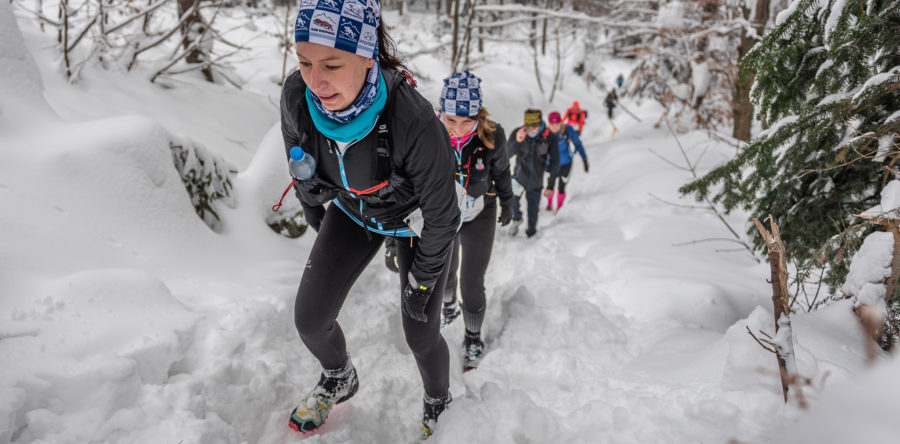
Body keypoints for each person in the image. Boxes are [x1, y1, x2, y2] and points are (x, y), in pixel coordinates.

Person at [280, 0, 458, 439]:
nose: (315, 81)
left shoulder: (413, 120)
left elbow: (443, 217)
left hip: (414, 222)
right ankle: (339, 376)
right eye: (304, 62)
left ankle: (439, 400)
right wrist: (312, 206)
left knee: (420, 333)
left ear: (367, 56)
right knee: (309, 319)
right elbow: (298, 161)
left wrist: (422, 282)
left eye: (332, 64)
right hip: (353, 211)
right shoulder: (296, 98)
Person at [435, 71, 515, 371]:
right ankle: (448, 307)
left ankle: (472, 337)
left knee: (471, 281)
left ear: (478, 116)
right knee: (444, 271)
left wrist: (507, 201)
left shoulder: (492, 135)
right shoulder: (431, 132)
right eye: (451, 120)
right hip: (442, 214)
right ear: (441, 112)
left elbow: (503, 171)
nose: (457, 129)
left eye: (466, 121)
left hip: (479, 213)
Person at [506, 109, 559, 238]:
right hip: (519, 176)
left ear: (540, 124)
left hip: (536, 179)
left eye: (534, 127)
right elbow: (506, 154)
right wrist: (518, 140)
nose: (531, 131)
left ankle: (531, 232)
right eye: (528, 128)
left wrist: (550, 185)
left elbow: (555, 162)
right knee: (511, 200)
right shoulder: (518, 133)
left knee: (533, 209)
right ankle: (516, 219)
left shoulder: (549, 137)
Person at [546, 111, 588, 213]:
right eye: (552, 125)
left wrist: (584, 159)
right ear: (548, 124)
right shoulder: (545, 132)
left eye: (557, 124)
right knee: (550, 185)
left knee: (561, 186)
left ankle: (559, 208)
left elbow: (578, 143)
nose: (555, 127)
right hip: (550, 164)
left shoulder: (567, 130)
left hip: (566, 163)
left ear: (561, 123)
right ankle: (549, 204)